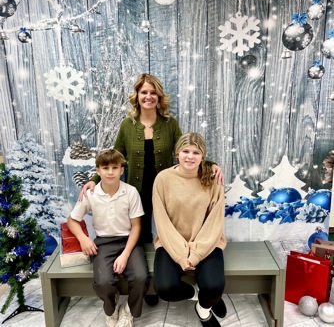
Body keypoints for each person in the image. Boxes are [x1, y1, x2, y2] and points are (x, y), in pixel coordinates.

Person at [79, 73, 223, 305]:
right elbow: (117, 155)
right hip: (138, 188)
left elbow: (186, 149)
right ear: (137, 96)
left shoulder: (169, 124)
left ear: (159, 97)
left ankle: (195, 276)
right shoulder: (127, 126)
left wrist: (211, 163)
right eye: (144, 92)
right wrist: (94, 179)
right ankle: (147, 284)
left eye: (153, 92)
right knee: (141, 233)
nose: (148, 96)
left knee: (171, 230)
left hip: (168, 188)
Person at [67, 149, 150, 327]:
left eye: (115, 167)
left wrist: (125, 254)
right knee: (103, 282)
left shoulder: (131, 192)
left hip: (129, 241)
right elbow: (72, 220)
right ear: (98, 171)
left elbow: (137, 226)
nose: (110, 172)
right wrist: (83, 238)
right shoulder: (91, 194)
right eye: (105, 168)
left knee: (141, 277)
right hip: (103, 243)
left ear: (122, 170)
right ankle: (111, 308)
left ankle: (129, 310)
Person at [152, 132, 227, 327]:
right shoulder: (163, 179)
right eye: (186, 151)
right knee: (165, 288)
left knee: (214, 286)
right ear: (177, 153)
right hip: (172, 242)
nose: (190, 156)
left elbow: (214, 222)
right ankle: (197, 295)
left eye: (196, 152)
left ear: (203, 156)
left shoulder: (212, 178)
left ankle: (203, 310)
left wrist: (194, 254)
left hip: (206, 242)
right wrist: (180, 254)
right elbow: (162, 222)